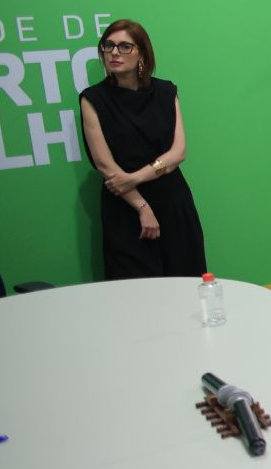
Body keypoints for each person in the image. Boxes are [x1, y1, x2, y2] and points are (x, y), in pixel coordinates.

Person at [78, 19, 207, 280]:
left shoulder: (166, 91)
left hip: (173, 202)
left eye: (125, 46)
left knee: (187, 286)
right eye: (109, 46)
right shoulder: (92, 99)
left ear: (142, 54)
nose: (114, 53)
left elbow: (178, 152)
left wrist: (134, 177)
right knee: (136, 297)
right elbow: (105, 166)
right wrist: (142, 207)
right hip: (126, 207)